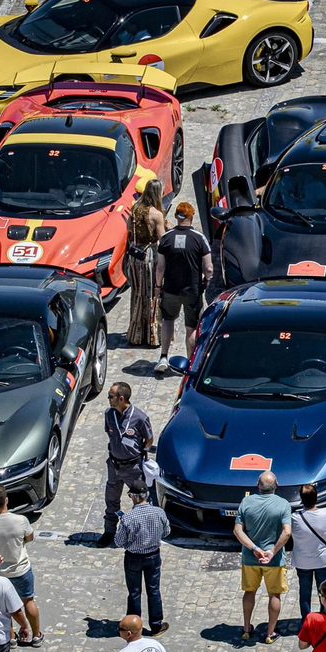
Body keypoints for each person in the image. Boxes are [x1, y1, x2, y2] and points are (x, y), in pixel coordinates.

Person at [153, 202, 213, 374]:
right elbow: (208, 267)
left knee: (167, 321)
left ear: (176, 217)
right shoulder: (199, 238)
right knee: (191, 328)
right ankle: (189, 363)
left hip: (171, 288)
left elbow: (160, 267)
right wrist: (207, 281)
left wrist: (158, 286)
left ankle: (163, 356)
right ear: (191, 217)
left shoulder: (166, 238)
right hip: (192, 290)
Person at [233, 471, 291, 643]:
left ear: (258, 485)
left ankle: (246, 628)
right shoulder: (283, 505)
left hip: (251, 559)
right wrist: (272, 551)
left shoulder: (246, 502)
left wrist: (254, 548)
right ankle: (270, 633)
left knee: (249, 592)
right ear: (277, 485)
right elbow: (287, 532)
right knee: (275, 595)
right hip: (274, 560)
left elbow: (237, 530)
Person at [0, 484, 40, 646]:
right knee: (28, 601)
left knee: (4, 607)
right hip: (20, 569)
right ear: (6, 500)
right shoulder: (20, 520)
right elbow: (29, 538)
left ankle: (11, 637)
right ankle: (36, 635)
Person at [98, 382, 153, 547]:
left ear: (121, 398)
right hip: (114, 465)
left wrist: (142, 453)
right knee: (111, 499)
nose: (108, 398)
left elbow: (149, 439)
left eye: (111, 396)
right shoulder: (109, 414)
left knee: (141, 500)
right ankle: (109, 531)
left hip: (133, 467)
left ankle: (143, 533)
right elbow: (109, 433)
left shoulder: (140, 417)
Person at [117, 487, 171, 636]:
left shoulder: (128, 518)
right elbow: (167, 532)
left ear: (133, 497)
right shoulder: (159, 512)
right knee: (153, 590)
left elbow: (119, 541)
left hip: (133, 558)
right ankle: (156, 625)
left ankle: (133, 626)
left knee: (134, 592)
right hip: (153, 556)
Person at [126, 179, 166, 347]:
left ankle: (136, 333)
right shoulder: (156, 214)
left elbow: (128, 228)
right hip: (149, 256)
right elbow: (162, 238)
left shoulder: (135, 208)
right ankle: (152, 335)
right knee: (151, 294)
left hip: (135, 255)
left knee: (137, 293)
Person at [291, 484, 326, 619]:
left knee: (304, 593)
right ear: (316, 497)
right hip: (323, 560)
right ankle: (324, 619)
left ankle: (306, 622)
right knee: (325, 593)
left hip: (303, 561)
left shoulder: (295, 517)